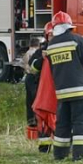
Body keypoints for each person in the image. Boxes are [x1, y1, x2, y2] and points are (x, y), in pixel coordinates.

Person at [30, 11, 83, 161]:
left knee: (62, 123)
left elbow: (48, 69)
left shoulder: (51, 46)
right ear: (69, 25)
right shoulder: (77, 40)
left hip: (61, 93)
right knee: (79, 122)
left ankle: (59, 154)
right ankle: (79, 154)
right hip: (79, 91)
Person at [27, 23, 54, 152]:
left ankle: (63, 147)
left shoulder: (65, 48)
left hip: (59, 90)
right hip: (44, 90)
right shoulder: (41, 51)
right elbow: (32, 67)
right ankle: (44, 147)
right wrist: (42, 60)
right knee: (43, 118)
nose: (52, 37)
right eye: (50, 35)